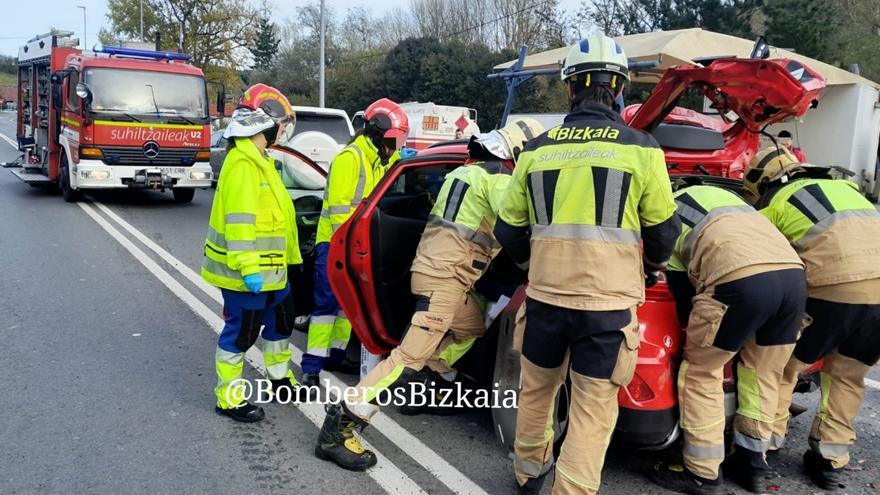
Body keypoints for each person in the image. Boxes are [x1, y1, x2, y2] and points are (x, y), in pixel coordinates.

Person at [494, 33, 681, 494]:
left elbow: (507, 230)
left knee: (537, 394)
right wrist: (651, 268)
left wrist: (530, 265)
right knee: (593, 408)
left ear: (570, 88)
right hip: (607, 309)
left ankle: (527, 475)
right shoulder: (642, 148)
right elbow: (664, 232)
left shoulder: (536, 149)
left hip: (545, 301)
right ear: (619, 89)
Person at [314, 118, 545, 471]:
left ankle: (430, 374)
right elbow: (518, 223)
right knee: (406, 356)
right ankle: (339, 427)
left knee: (471, 328)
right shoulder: (498, 179)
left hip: (435, 275)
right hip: (445, 281)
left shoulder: (463, 173)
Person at [647, 185, 806, 494]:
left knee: (701, 371)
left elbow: (685, 299)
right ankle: (751, 464)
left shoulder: (667, 213)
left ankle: (701, 473)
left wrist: (697, 339)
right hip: (794, 282)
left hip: (739, 280)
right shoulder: (735, 205)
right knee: (763, 370)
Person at [742, 146, 880, 490]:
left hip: (832, 294)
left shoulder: (776, 203)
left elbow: (750, 255)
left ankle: (764, 450)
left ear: (764, 181)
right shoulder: (848, 190)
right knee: (847, 377)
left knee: (781, 367)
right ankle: (829, 460)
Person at [201, 84, 301, 423]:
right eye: (282, 123)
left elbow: (277, 220)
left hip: (274, 272)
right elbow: (240, 224)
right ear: (265, 122)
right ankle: (228, 399)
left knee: (281, 324)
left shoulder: (261, 160)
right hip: (247, 274)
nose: (284, 130)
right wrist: (248, 269)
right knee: (241, 334)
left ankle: (278, 379)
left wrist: (291, 262)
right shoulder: (243, 163)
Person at [301, 98, 410, 385]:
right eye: (394, 140)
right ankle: (312, 366)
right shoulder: (350, 158)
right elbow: (339, 210)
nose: (396, 146)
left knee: (348, 307)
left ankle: (335, 357)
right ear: (377, 133)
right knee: (326, 306)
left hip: (359, 243)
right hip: (335, 243)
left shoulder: (383, 157)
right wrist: (353, 245)